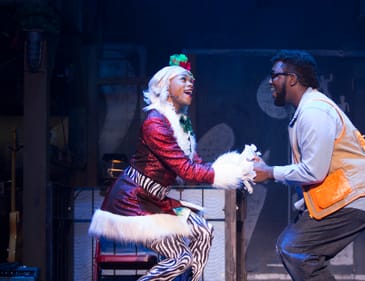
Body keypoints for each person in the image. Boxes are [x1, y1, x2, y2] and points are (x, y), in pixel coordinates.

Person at [89, 53, 256, 281]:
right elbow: (185, 170)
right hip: (134, 200)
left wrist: (234, 165)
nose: (190, 84)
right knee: (181, 258)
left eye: (192, 81)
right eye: (184, 79)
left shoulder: (180, 124)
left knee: (204, 232)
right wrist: (227, 174)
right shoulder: (155, 123)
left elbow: (194, 163)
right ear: (166, 85)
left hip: (157, 199)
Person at [253, 49, 365, 281]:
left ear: (292, 78)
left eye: (275, 75)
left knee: (296, 248)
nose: (270, 81)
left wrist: (269, 173)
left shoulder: (314, 111)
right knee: (292, 247)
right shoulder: (307, 111)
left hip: (355, 196)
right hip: (347, 196)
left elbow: (314, 171)